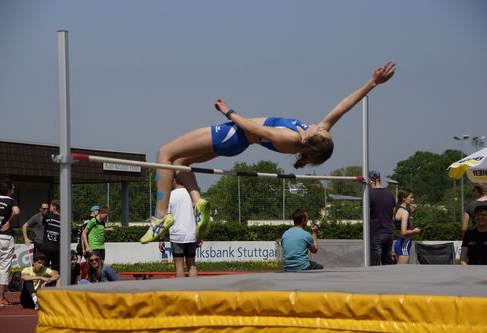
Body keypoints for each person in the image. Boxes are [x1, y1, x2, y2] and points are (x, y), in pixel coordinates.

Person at [141, 61, 397, 244]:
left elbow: (252, 126)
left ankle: (160, 217)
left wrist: (228, 111)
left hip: (233, 133)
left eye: (322, 130)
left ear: (314, 141)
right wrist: (372, 83)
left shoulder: (291, 139)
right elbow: (343, 107)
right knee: (181, 162)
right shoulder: (313, 133)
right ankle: (199, 204)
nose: (321, 124)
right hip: (236, 142)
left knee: (165, 152)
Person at [159, 178, 201, 278]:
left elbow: (165, 219)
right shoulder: (193, 196)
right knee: (192, 265)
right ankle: (194, 291)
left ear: (174, 181)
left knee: (179, 266)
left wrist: (161, 238)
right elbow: (199, 217)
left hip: (176, 235)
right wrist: (200, 235)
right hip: (191, 234)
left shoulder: (169, 196)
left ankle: (182, 291)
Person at [0, 179, 20, 307]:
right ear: (8, 190)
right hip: (4, 237)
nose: (14, 191)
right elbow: (16, 212)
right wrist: (8, 223)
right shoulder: (10, 200)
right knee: (3, 267)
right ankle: (0, 298)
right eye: (13, 189)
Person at [368, 170, 395, 266]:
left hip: (376, 232)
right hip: (388, 233)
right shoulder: (390, 194)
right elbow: (393, 214)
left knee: (375, 265)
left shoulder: (369, 194)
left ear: (371, 180)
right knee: (387, 264)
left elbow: (365, 212)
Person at [393, 189, 421, 264]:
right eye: (411, 197)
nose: (413, 199)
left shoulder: (398, 209)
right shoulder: (404, 212)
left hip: (400, 243)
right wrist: (414, 231)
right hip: (404, 244)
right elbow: (404, 232)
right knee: (402, 272)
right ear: (404, 198)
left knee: (400, 272)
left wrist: (410, 213)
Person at [41, 199, 61, 271]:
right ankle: (55, 282)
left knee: (44, 269)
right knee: (56, 270)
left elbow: (42, 224)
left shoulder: (47, 216)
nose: (49, 208)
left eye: (50, 206)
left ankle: (45, 282)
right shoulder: (63, 219)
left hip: (46, 247)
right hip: (57, 249)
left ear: (54, 207)